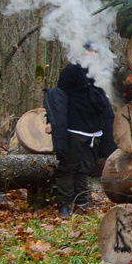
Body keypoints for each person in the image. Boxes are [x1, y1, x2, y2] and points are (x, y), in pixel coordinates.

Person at [43, 55, 115, 217]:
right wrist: (51, 122)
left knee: (84, 170)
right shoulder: (71, 70)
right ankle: (64, 206)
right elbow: (58, 99)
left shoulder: (99, 71)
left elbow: (104, 102)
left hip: (95, 131)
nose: (94, 54)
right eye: (91, 50)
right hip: (74, 130)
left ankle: (82, 203)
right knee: (68, 169)